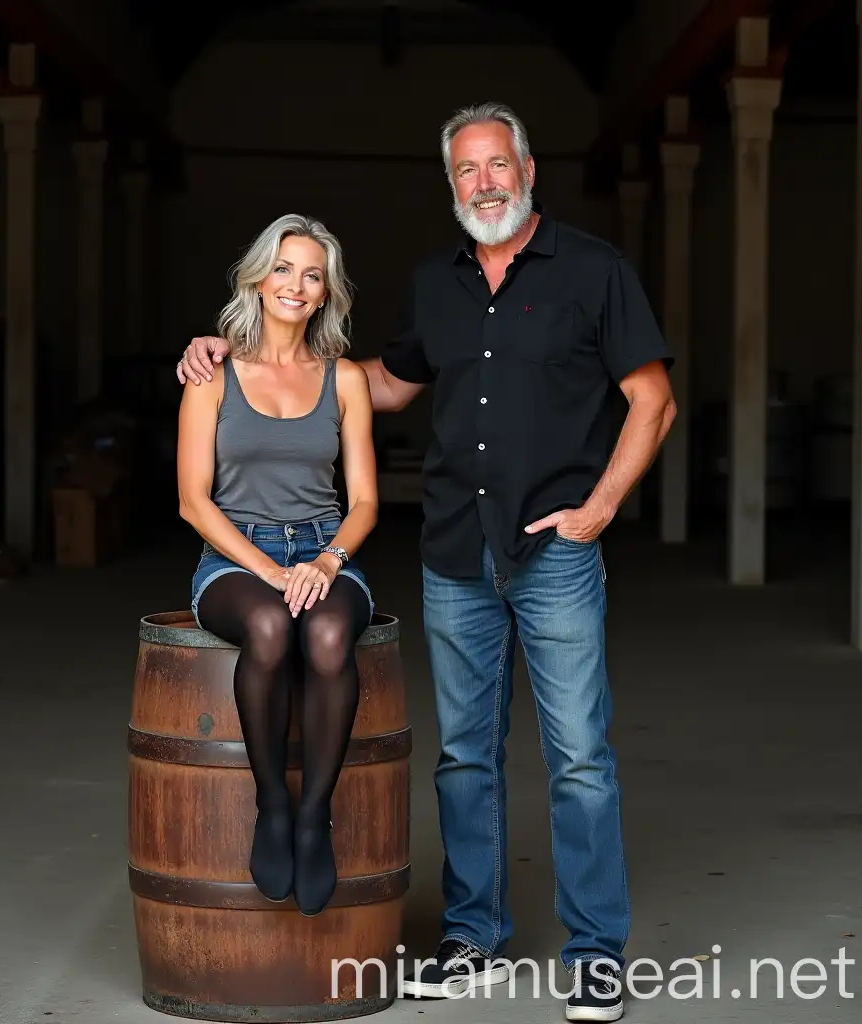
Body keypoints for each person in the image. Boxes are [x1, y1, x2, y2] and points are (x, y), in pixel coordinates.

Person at [177, 104, 675, 1021]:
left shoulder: (595, 272)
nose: (483, 183)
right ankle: (474, 937)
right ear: (451, 186)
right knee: (465, 758)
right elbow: (381, 383)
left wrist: (599, 511)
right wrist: (239, 351)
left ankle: (597, 951)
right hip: (455, 549)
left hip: (554, 550)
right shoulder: (435, 284)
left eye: (497, 165)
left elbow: (653, 400)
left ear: (528, 170)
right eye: (465, 172)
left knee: (578, 759)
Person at [176, 212, 378, 919]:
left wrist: (326, 559)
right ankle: (272, 802)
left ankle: (312, 816)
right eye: (284, 269)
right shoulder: (211, 373)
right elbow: (194, 503)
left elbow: (365, 503)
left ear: (326, 294)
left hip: (325, 547)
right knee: (268, 627)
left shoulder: (345, 379)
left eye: (312, 274)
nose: (296, 284)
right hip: (233, 555)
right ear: (258, 279)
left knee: (326, 636)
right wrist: (267, 568)